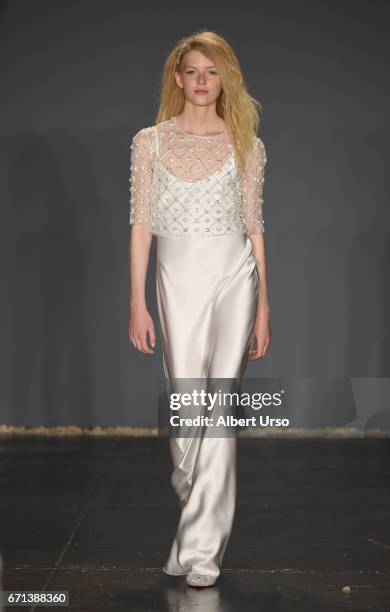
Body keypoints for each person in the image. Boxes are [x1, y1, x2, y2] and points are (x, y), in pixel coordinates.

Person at [128, 30, 271, 588]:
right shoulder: (150, 143)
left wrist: (265, 308)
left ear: (225, 78)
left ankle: (203, 552)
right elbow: (141, 225)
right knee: (188, 412)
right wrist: (137, 302)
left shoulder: (247, 144)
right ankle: (194, 510)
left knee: (222, 409)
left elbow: (256, 226)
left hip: (236, 274)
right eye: (192, 71)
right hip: (176, 279)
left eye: (212, 72)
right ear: (177, 78)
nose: (202, 81)